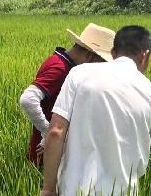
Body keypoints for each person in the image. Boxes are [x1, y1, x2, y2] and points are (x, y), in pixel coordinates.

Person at [33, 25, 151, 196]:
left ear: (113, 53)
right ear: (145, 56)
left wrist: (48, 187)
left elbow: (55, 132)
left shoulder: (79, 74)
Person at [19, 23, 115, 166]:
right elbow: (28, 99)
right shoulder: (60, 68)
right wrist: (48, 132)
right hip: (48, 153)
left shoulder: (63, 62)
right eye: (100, 63)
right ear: (90, 56)